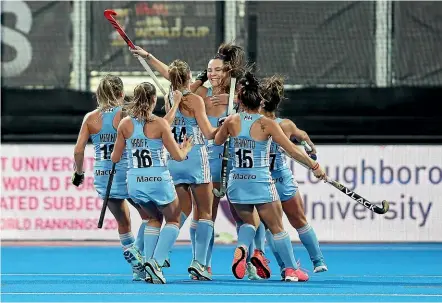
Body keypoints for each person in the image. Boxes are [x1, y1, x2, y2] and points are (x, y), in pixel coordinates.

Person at [214, 72, 327, 282]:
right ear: (260, 101)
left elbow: (218, 141)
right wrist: (314, 166)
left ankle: (242, 247)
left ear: (241, 99)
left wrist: (223, 125)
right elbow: (292, 151)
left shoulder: (231, 120)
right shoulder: (267, 124)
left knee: (249, 224)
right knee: (277, 228)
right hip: (260, 182)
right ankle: (292, 270)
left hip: (237, 183)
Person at [130, 46, 219, 281]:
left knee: (181, 210)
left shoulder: (171, 97)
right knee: (206, 213)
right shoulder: (196, 100)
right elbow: (209, 133)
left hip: (174, 158)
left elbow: (169, 75)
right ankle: (200, 263)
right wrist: (226, 127)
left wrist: (148, 56)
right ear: (189, 78)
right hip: (196, 157)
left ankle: (159, 255)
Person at [110, 82, 194, 284]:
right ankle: (156, 262)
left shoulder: (125, 124)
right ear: (154, 100)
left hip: (136, 181)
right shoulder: (160, 124)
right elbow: (178, 156)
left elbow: (114, 157)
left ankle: (148, 267)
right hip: (158, 179)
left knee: (153, 219)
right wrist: (186, 148)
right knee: (173, 218)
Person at [72, 75, 149, 281]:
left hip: (103, 175)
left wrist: (79, 173)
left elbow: (79, 151)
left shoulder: (90, 117)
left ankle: (137, 268)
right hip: (127, 172)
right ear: (122, 94)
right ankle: (140, 256)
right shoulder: (126, 113)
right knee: (151, 218)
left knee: (123, 222)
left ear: (99, 95)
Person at [260, 75, 328, 278]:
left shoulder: (254, 124)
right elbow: (303, 136)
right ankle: (318, 261)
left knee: (274, 228)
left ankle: (284, 266)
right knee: (300, 220)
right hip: (282, 179)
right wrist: (310, 150)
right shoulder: (286, 125)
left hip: (264, 181)